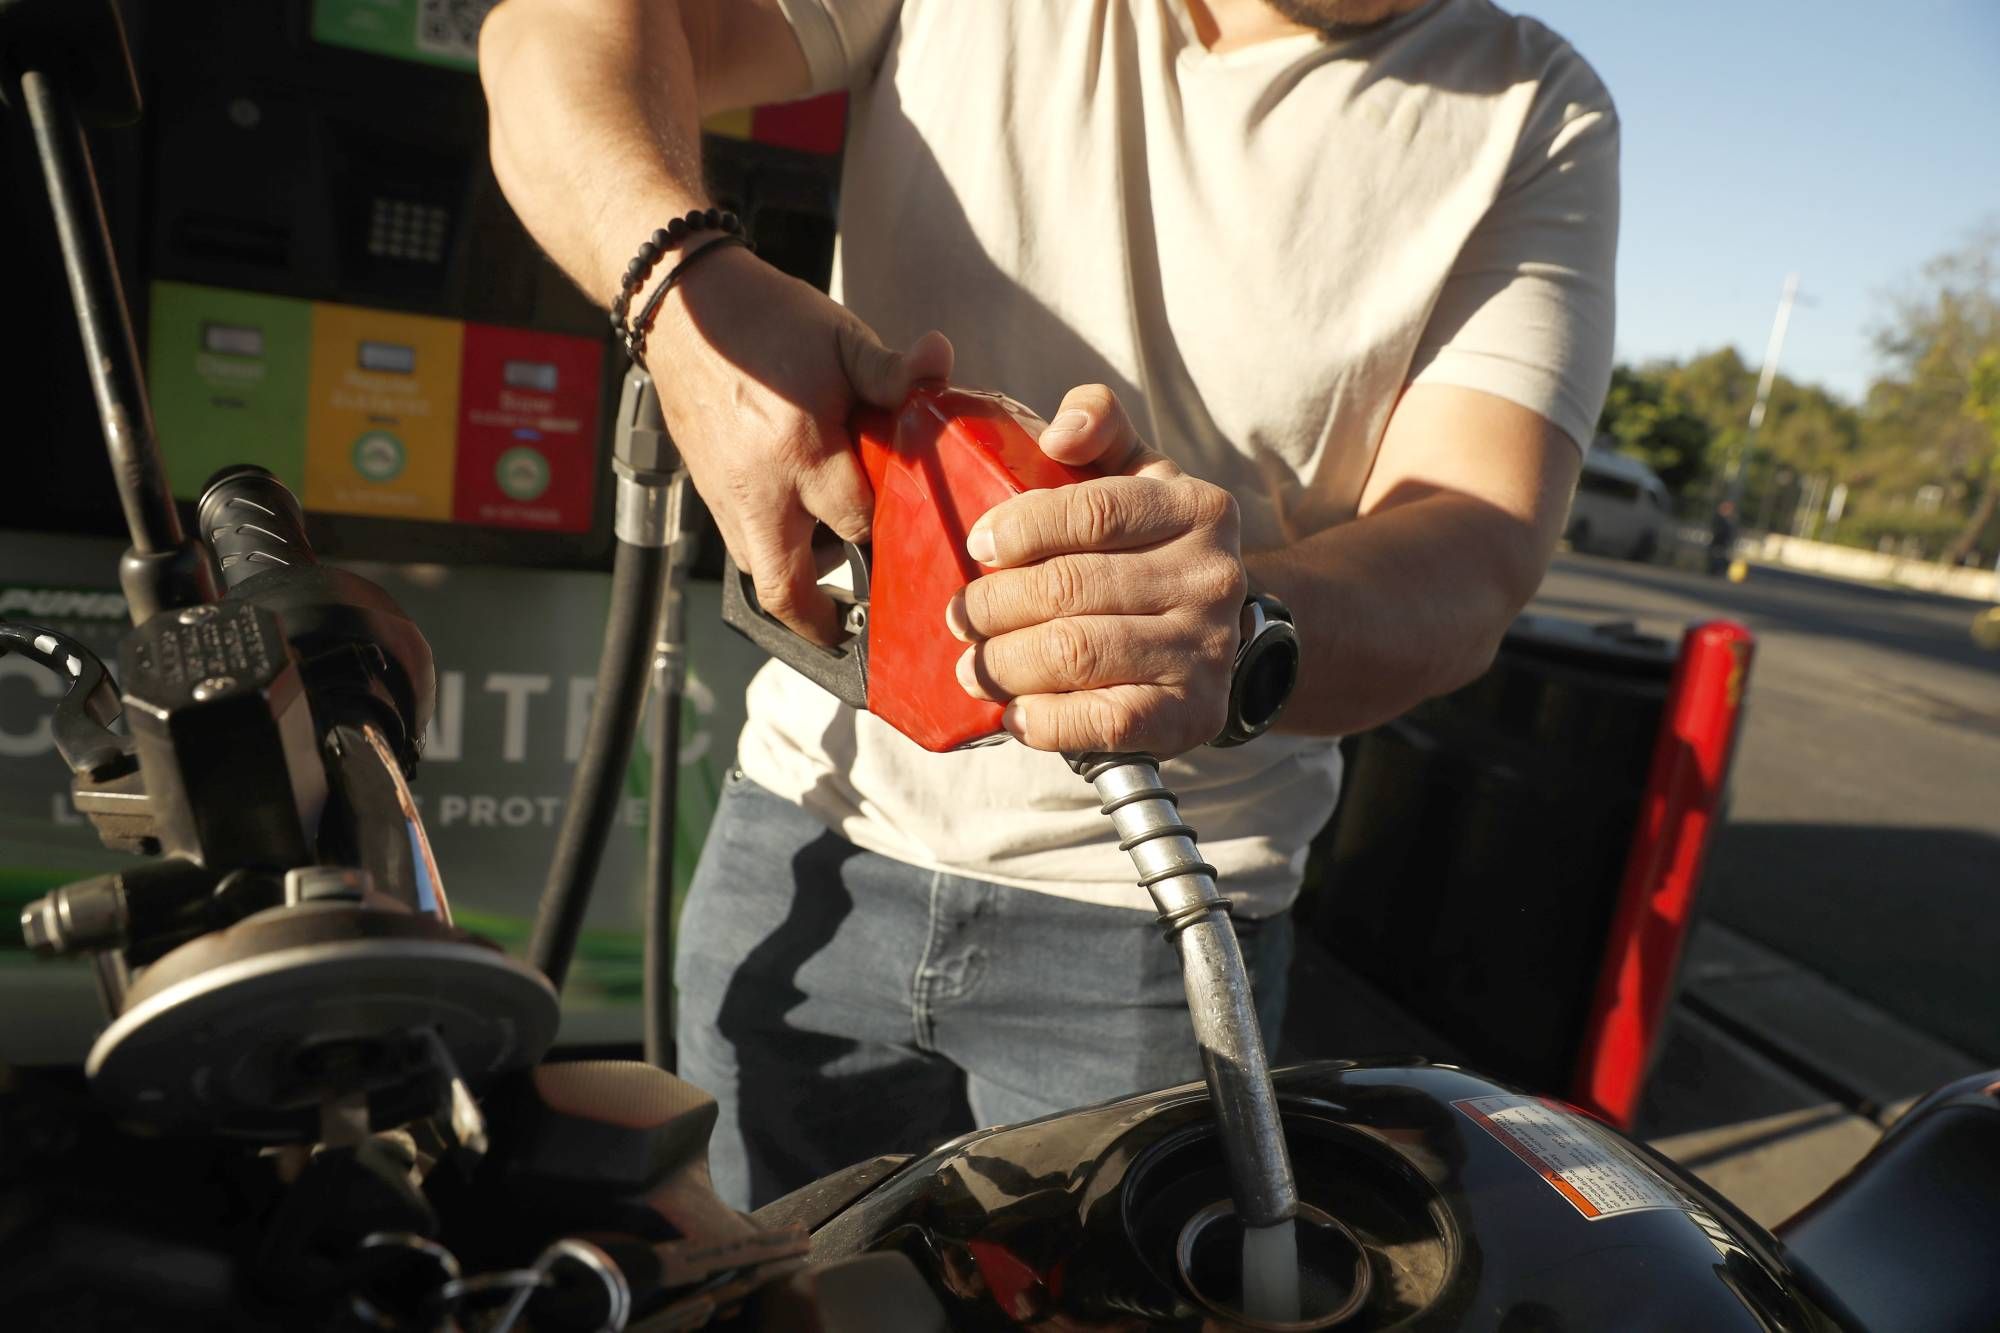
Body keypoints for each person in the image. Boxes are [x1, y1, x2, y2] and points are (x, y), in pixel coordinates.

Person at [478, 0, 1617, 1209]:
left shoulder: (1531, 109)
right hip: (809, 824)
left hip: (1159, 923)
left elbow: (1474, 553)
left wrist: (1234, 627)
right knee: (760, 1280)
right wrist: (681, 291)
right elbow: (553, 33)